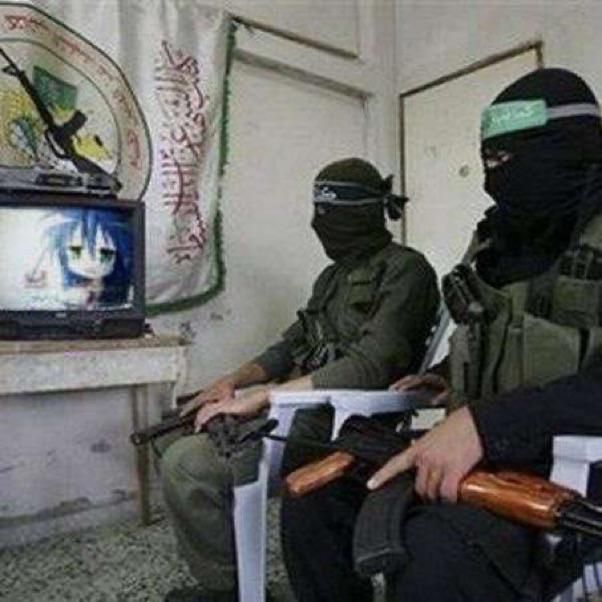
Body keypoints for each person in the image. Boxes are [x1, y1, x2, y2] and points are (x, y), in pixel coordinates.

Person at [281, 68, 602, 602]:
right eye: (488, 161)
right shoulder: (499, 239)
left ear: (567, 149)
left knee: (434, 553)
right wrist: (446, 375)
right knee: (315, 496)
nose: (493, 177)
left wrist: (487, 424)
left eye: (508, 159)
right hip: (479, 451)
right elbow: (503, 333)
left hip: (572, 471)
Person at [160, 157, 440, 602]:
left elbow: (371, 365)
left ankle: (228, 588)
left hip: (343, 424)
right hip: (295, 408)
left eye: (333, 213)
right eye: (318, 211)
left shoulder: (406, 270)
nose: (321, 224)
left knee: (186, 464)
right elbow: (291, 345)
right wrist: (231, 382)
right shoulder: (332, 278)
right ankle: (229, 582)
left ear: (367, 212)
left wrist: (263, 397)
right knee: (176, 431)